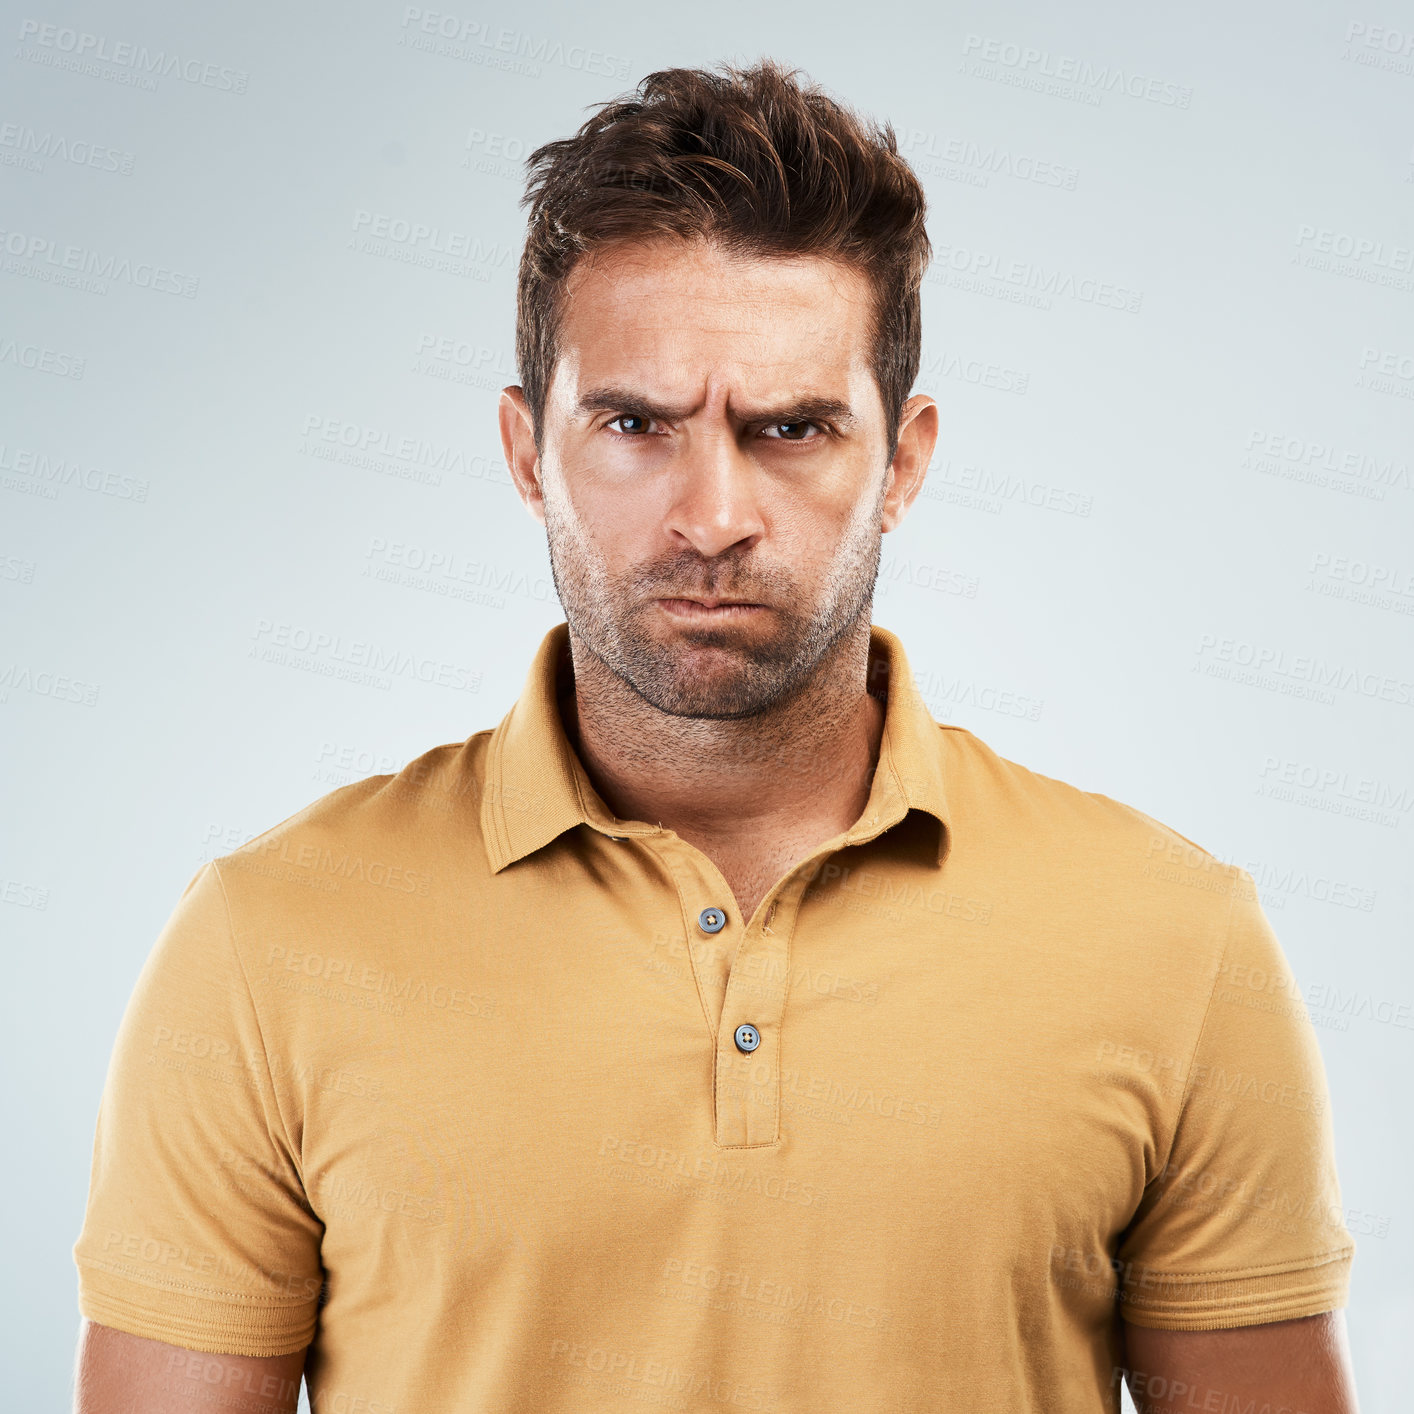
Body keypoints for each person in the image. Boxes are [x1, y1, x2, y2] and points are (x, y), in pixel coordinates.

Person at [72, 59, 1360, 1413]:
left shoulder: (1175, 938)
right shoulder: (267, 938)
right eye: (634, 423)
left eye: (790, 427)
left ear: (903, 459)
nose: (711, 513)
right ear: (526, 453)